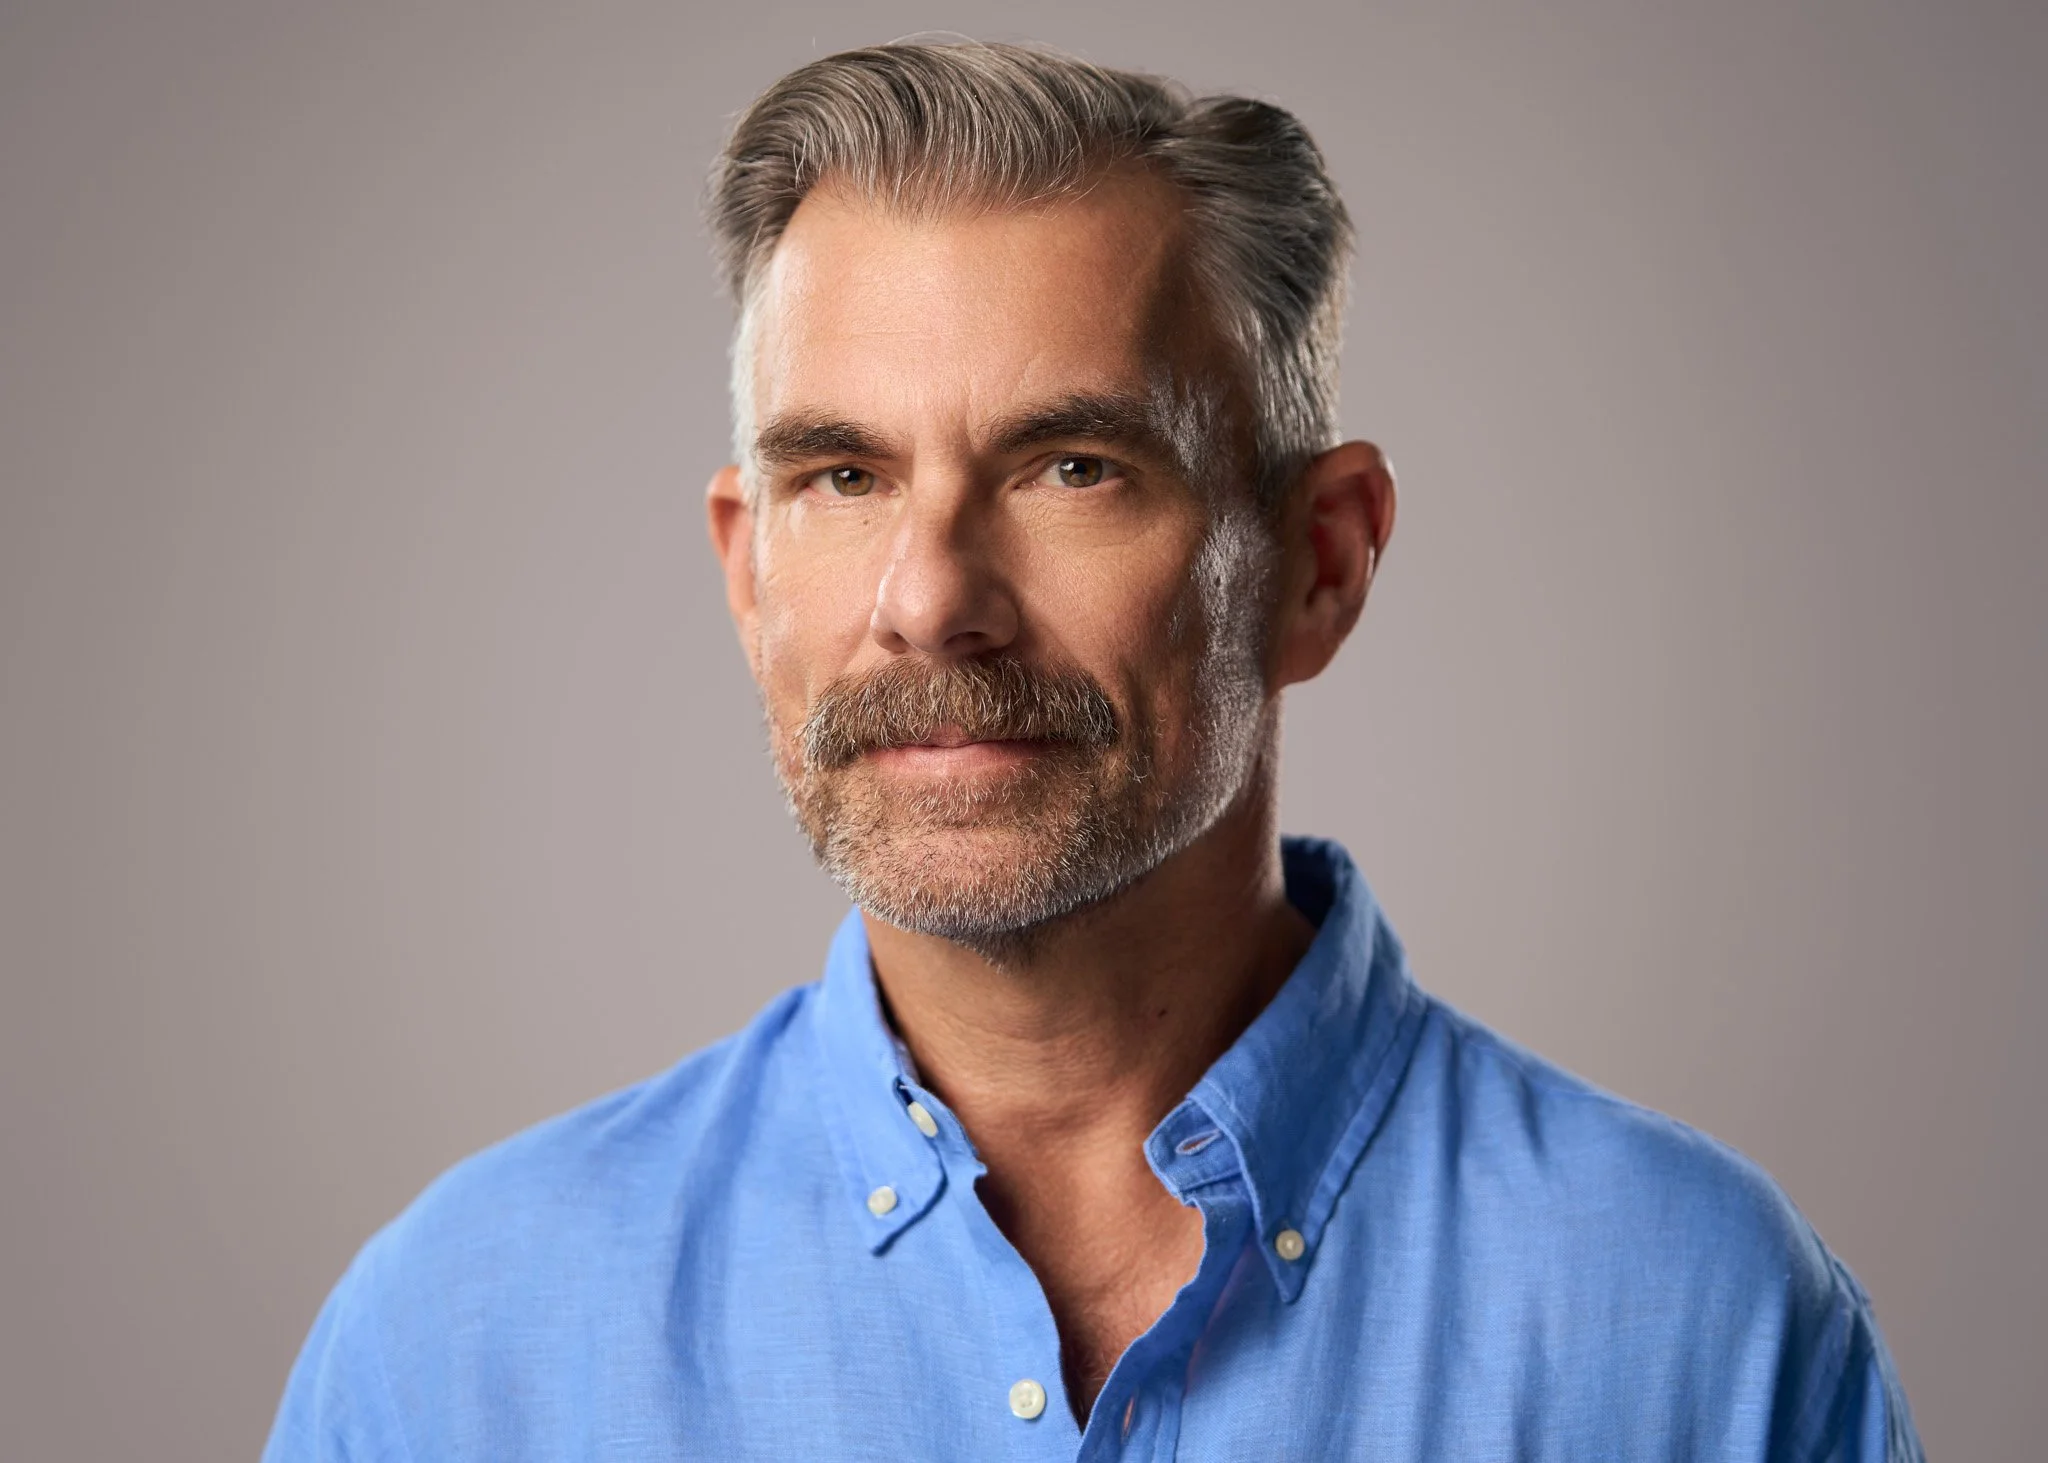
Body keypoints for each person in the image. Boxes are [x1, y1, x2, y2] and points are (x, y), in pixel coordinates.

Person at [264, 39, 1923, 1461]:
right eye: (841, 476)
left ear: (1321, 561)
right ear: (748, 568)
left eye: (1072, 466)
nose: (933, 602)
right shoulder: (454, 1360)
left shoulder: (1703, 1336)